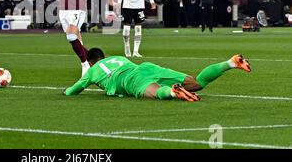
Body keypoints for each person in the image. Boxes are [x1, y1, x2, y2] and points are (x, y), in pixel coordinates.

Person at [63, 48, 251, 101]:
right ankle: (231, 63)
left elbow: (74, 90)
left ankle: (172, 92)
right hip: (146, 67)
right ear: (104, 56)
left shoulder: (92, 71)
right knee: (197, 83)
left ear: (91, 61)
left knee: (156, 91)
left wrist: (66, 92)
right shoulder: (117, 57)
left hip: (131, 79)